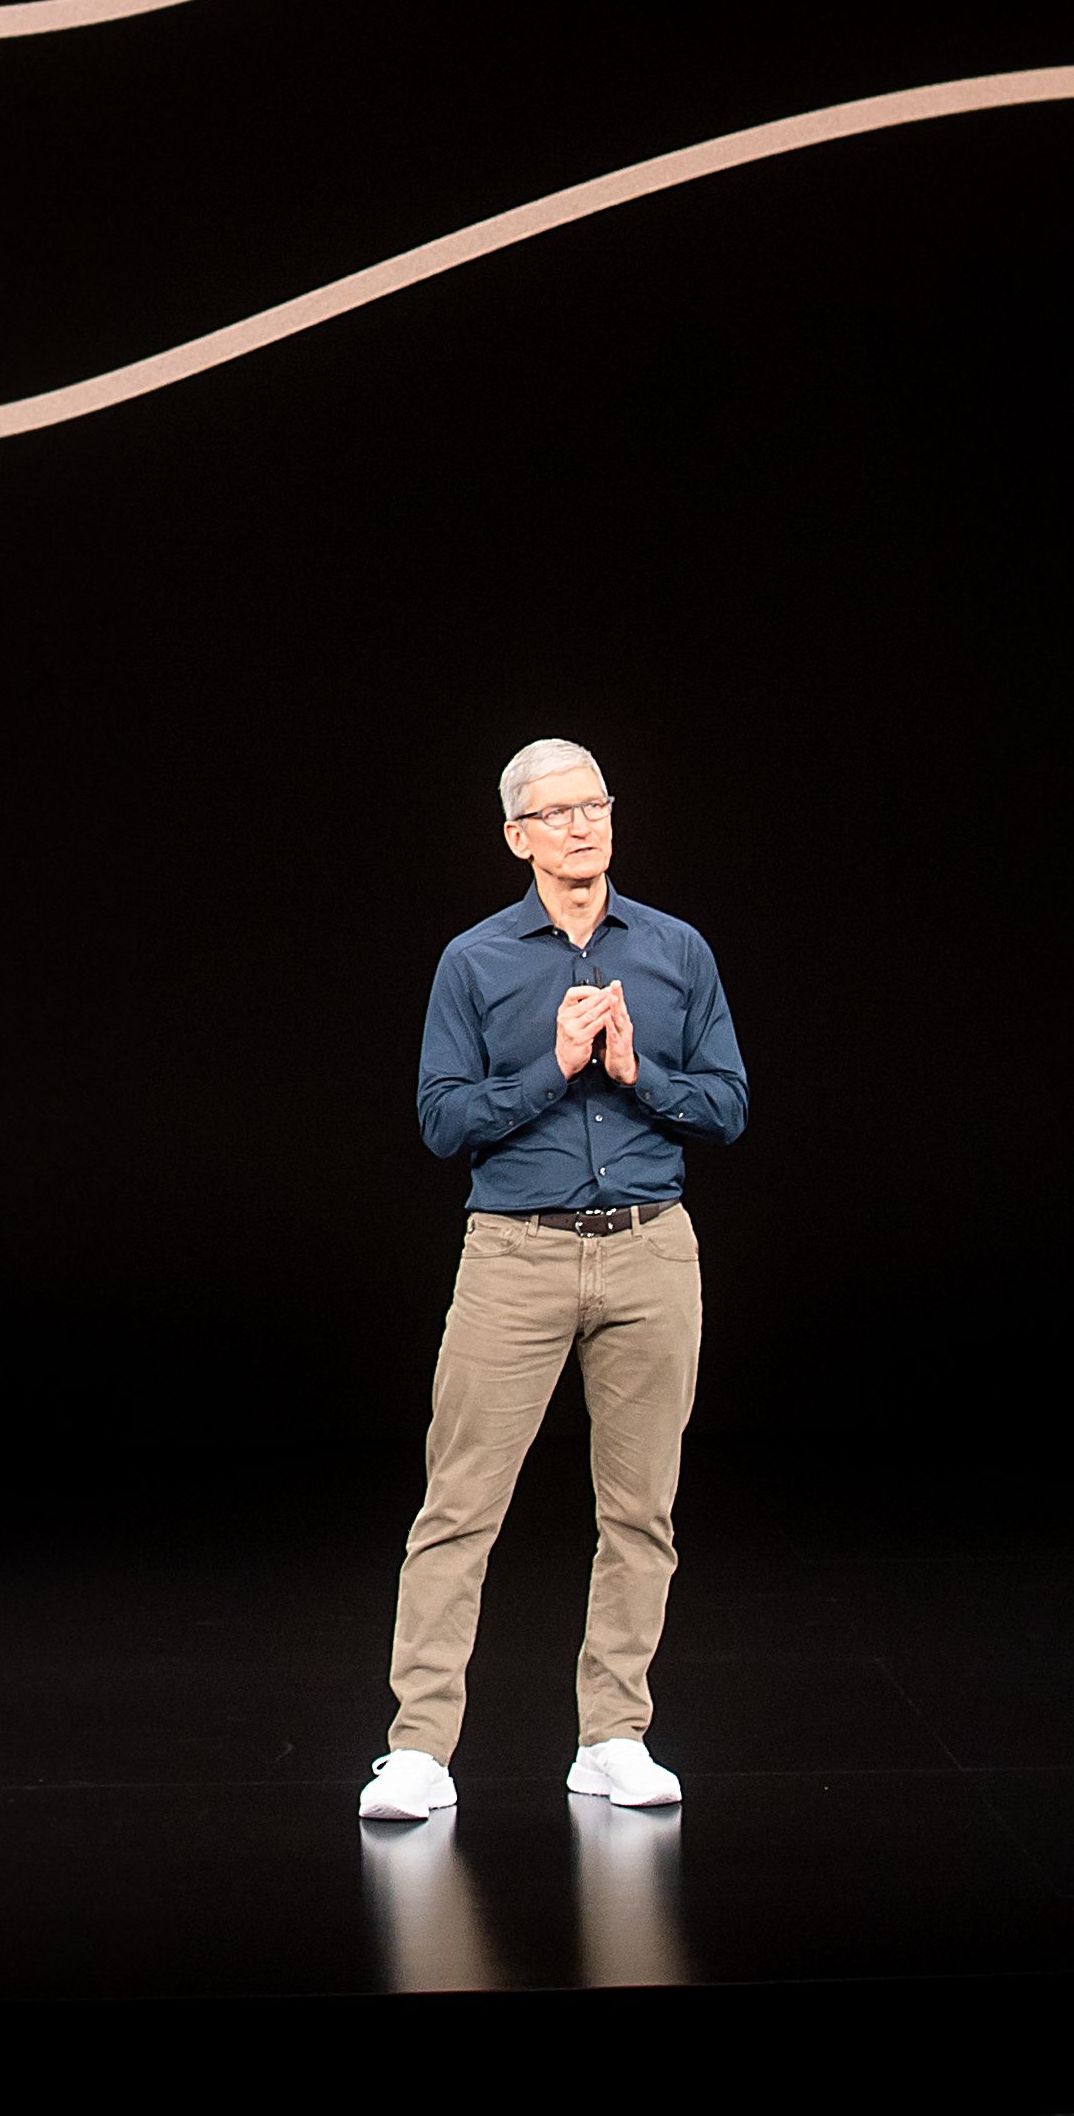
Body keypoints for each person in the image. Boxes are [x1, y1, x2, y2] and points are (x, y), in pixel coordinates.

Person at [358, 736, 746, 1824]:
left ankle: (614, 1734)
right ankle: (420, 1749)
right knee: (459, 1507)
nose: (584, 826)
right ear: (516, 836)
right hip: (515, 1256)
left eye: (598, 806)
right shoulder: (475, 961)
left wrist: (635, 1071)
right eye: (559, 812)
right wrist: (550, 1069)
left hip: (651, 1246)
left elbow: (727, 1103)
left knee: (642, 1512)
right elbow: (442, 1121)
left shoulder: (675, 951)